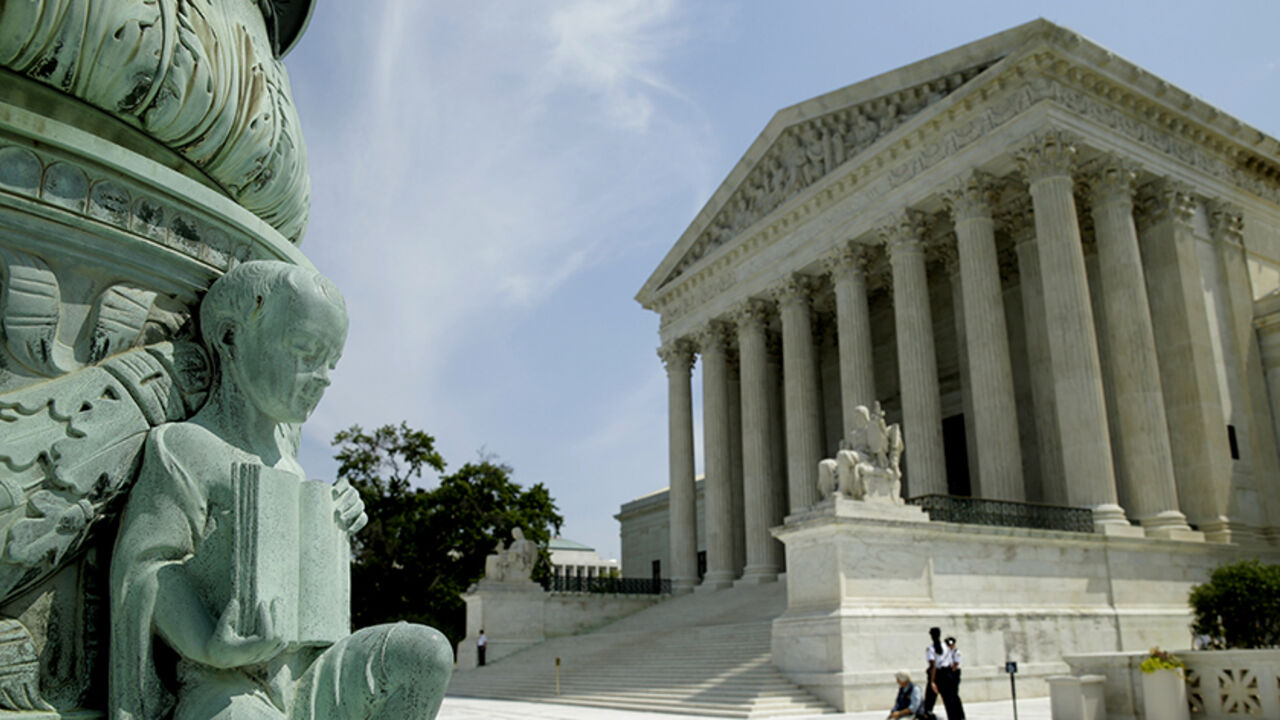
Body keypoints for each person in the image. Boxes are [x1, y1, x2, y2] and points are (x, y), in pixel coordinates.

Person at [110, 261, 454, 720]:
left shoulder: (290, 462)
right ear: (231, 337)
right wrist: (209, 646)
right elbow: (147, 569)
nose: (324, 376)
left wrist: (337, 523)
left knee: (426, 652)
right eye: (305, 350)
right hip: (223, 682)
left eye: (331, 362)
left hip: (306, 672)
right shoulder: (187, 446)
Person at [936, 636, 967, 720]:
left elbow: (956, 664)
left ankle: (960, 715)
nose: (950, 646)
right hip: (949, 673)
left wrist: (950, 672)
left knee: (954, 695)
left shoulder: (956, 652)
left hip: (954, 673)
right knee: (952, 695)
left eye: (951, 644)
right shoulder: (947, 652)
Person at [923, 627, 942, 718]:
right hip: (946, 674)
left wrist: (932, 681)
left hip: (935, 675)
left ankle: (928, 714)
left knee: (929, 699)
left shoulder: (931, 649)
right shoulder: (945, 647)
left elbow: (933, 665)